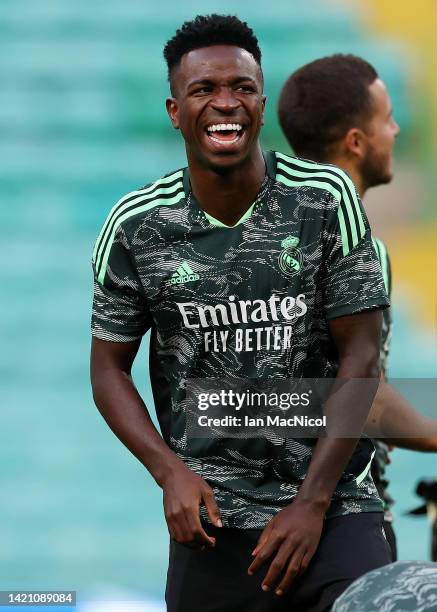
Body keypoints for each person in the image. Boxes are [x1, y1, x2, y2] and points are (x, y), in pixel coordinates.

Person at [90, 16, 391, 612]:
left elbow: (363, 354)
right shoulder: (136, 225)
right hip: (213, 522)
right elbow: (108, 370)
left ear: (260, 102)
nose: (224, 103)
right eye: (204, 90)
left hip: (335, 511)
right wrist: (169, 473)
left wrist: (311, 503)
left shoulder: (325, 198)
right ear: (176, 111)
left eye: (242, 88)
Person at [278, 53, 437, 563]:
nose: (395, 130)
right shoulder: (356, 249)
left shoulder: (267, 236)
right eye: (386, 119)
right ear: (355, 142)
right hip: (341, 519)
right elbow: (363, 395)